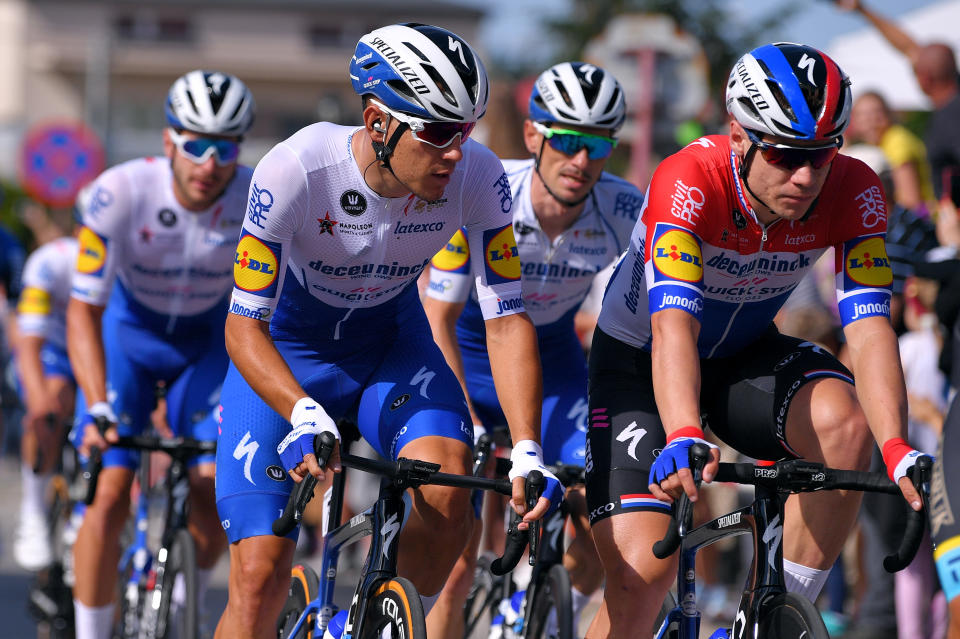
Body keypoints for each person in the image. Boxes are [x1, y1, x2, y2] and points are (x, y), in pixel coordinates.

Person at [212, 23, 561, 639]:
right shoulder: (296, 168)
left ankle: (377, 623)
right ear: (378, 123)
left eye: (468, 129)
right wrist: (297, 411)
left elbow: (506, 319)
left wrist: (529, 447)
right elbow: (243, 327)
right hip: (288, 353)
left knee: (449, 493)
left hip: (390, 347)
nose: (456, 151)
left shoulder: (480, 180)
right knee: (260, 578)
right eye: (437, 132)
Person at [583, 42, 927, 638]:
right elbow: (673, 327)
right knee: (642, 575)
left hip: (744, 353)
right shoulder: (689, 180)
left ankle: (771, 619)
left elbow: (870, 327)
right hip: (642, 361)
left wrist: (895, 445)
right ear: (739, 135)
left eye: (821, 155)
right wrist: (685, 429)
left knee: (847, 429)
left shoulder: (857, 190)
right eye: (786, 155)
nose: (805, 176)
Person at [422, 60, 637, 638]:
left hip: (551, 364)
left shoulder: (624, 211)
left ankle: (525, 611)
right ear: (532, 136)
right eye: (566, 140)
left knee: (606, 520)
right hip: (464, 354)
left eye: (598, 145)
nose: (581, 160)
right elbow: (436, 314)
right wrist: (459, 406)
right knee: (459, 554)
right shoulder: (485, 194)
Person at [67, 69, 256, 639]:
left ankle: (186, 594)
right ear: (168, 140)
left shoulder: (256, 198)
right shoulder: (119, 192)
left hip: (205, 346)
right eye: (195, 144)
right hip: (130, 340)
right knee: (109, 492)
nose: (209, 163)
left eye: (224, 147)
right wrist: (98, 404)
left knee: (207, 478)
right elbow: (83, 312)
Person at [836, 0, 960, 205]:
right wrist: (861, 9)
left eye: (874, 113)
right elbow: (910, 48)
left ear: (924, 78)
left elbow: (910, 202)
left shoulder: (945, 122)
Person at [13, 230, 78, 571]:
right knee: (53, 398)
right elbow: (28, 345)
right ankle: (34, 510)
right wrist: (40, 404)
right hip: (54, 352)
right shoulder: (49, 262)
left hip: (102, 351)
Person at [850, 91, 936, 216]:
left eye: (876, 112)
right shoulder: (881, 144)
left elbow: (910, 201)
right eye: (863, 115)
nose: (871, 120)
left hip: (924, 223)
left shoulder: (896, 142)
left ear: (888, 114)